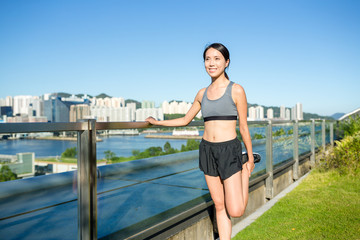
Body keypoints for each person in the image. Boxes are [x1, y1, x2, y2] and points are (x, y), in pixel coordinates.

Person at [145, 43, 254, 240]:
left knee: (236, 210)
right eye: (207, 59)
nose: (211, 63)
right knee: (219, 205)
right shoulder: (202, 93)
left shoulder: (236, 90)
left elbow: (244, 127)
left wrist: (250, 159)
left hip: (229, 150)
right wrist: (156, 122)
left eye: (217, 58)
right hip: (207, 150)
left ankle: (244, 172)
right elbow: (185, 120)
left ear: (227, 62)